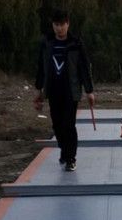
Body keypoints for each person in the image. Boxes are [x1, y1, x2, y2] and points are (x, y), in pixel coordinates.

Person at [34, 9, 95, 172]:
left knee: (69, 124)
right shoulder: (47, 43)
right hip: (53, 90)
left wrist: (89, 91)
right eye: (56, 25)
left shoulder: (76, 44)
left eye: (62, 25)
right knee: (57, 125)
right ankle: (64, 150)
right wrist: (38, 90)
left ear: (67, 24)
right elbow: (41, 67)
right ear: (52, 25)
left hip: (71, 91)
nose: (59, 28)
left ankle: (70, 158)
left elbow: (84, 68)